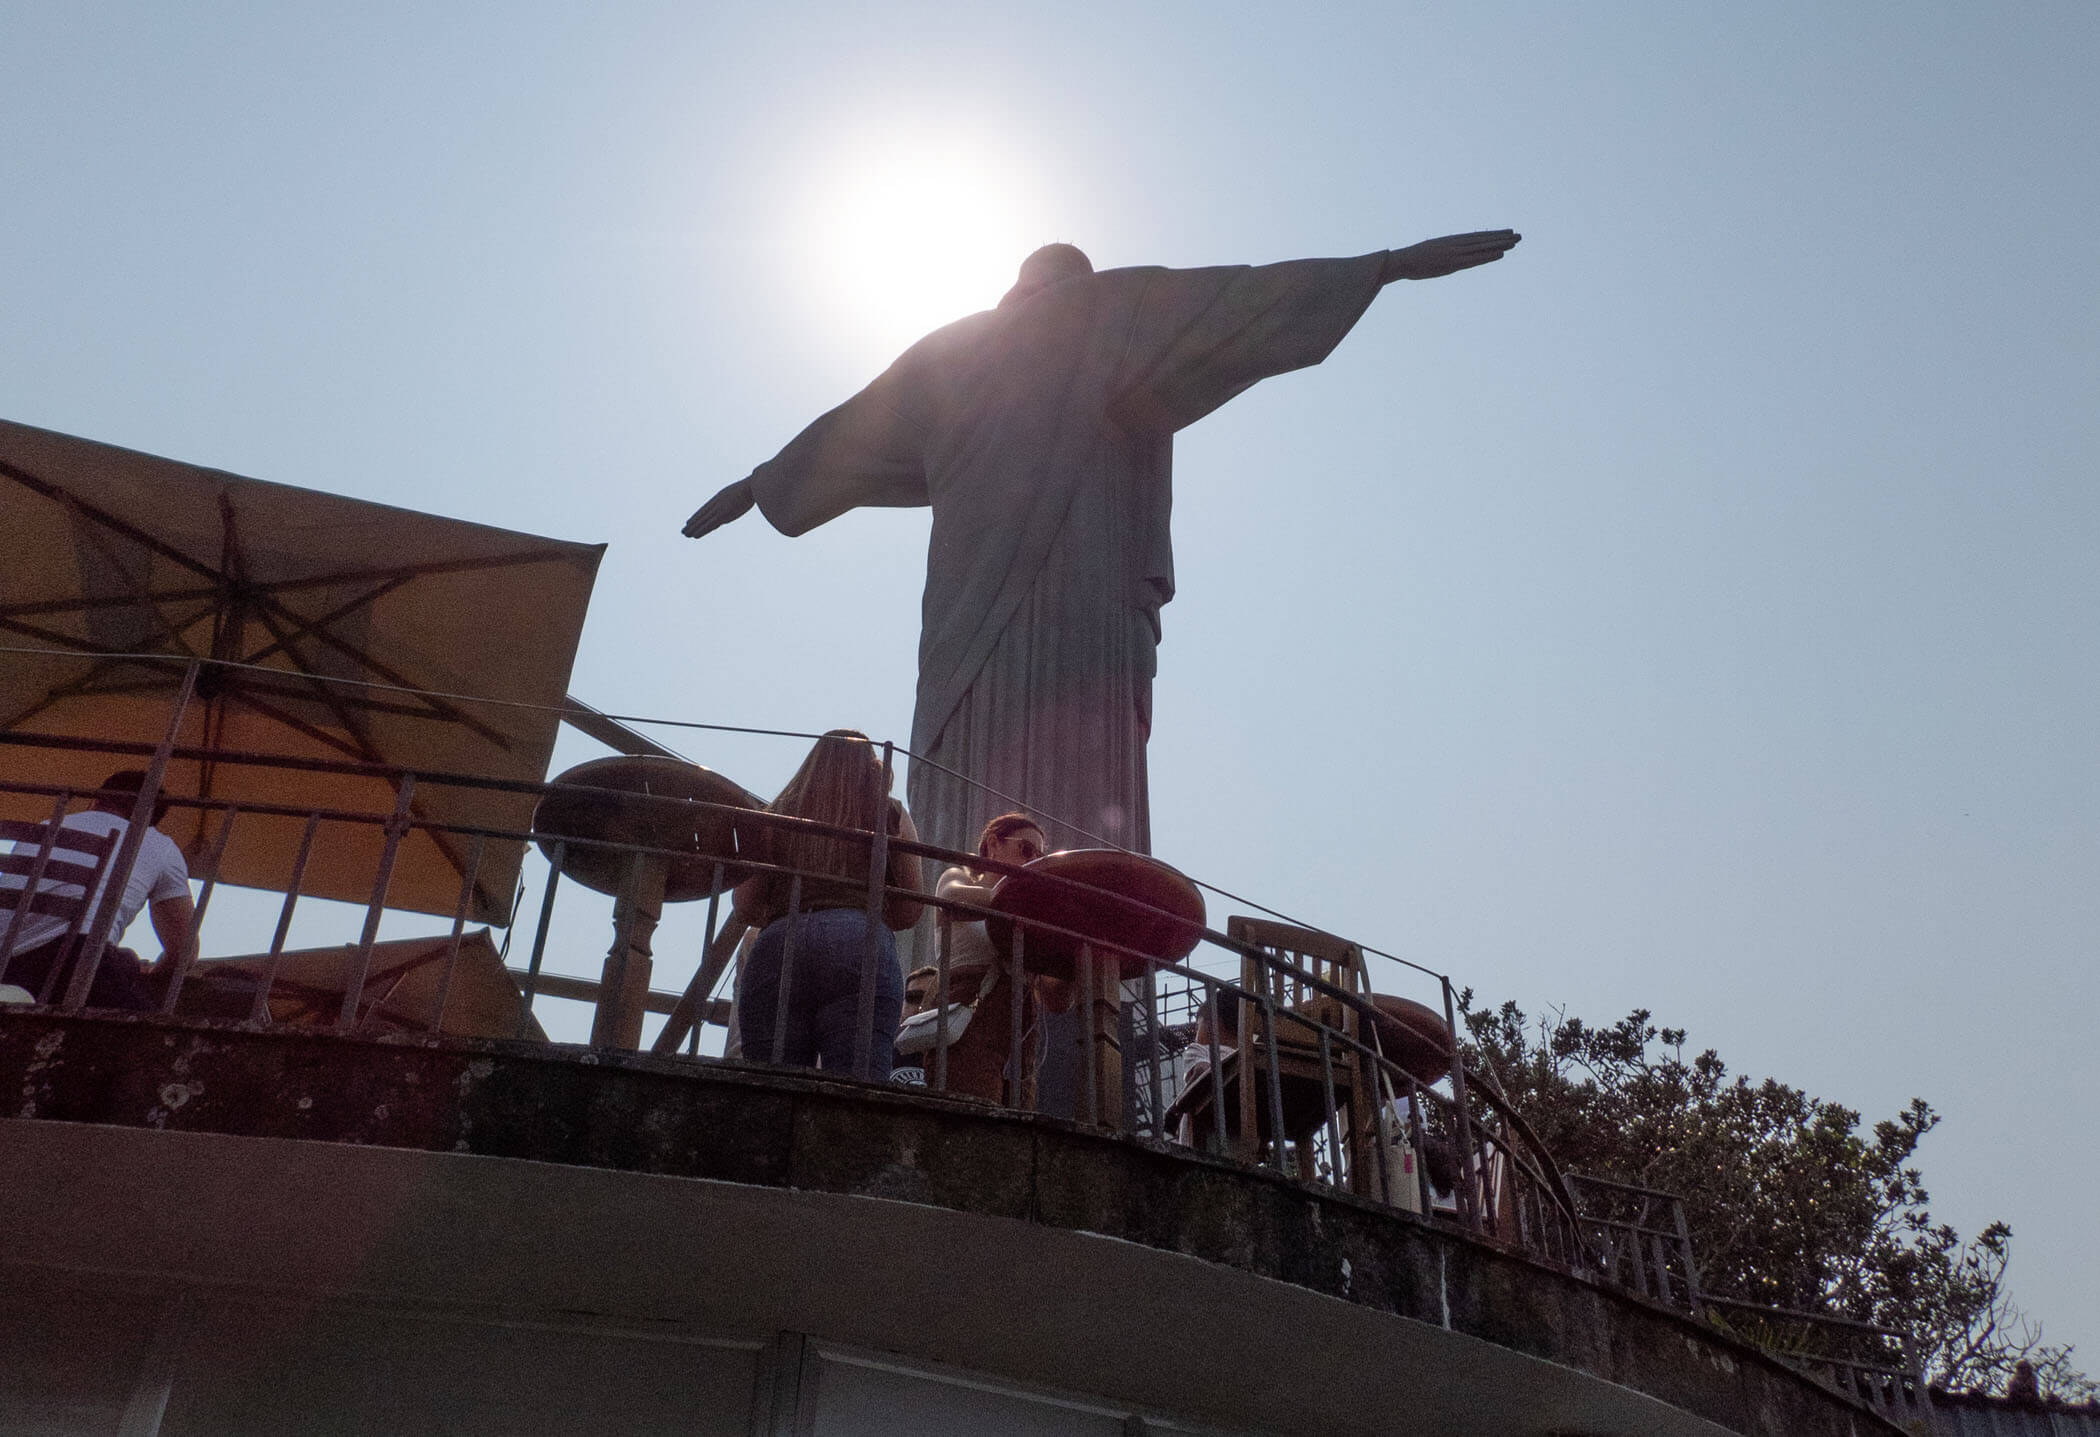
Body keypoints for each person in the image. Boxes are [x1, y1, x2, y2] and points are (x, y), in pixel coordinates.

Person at [683, 232, 1521, 877]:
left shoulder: (953, 352)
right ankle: (1078, 973)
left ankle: (959, 949)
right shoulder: (1107, 314)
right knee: (1074, 802)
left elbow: (848, 432)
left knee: (968, 796)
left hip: (983, 620)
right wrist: (1380, 268)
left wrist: (761, 486)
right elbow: (1240, 302)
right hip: (1072, 617)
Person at [731, 730, 924, 1078]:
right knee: (857, 1092)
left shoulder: (776, 814)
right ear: (870, 765)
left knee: (772, 1086)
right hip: (859, 939)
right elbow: (912, 909)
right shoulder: (890, 812)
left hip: (779, 942)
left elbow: (744, 905)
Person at [910, 813, 1073, 1105]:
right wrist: (1029, 908)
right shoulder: (961, 875)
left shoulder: (1031, 915)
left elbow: (1055, 999)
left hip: (1018, 1043)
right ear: (994, 844)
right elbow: (952, 897)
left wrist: (1069, 957)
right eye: (1026, 850)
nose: (1035, 859)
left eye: (1040, 854)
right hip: (969, 1027)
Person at [0, 770, 197, 1010]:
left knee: (120, 961)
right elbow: (184, 951)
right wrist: (152, 971)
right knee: (151, 1035)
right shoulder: (160, 845)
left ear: (95, 800)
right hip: (76, 960)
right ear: (151, 820)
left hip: (7, 966)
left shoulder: (46, 826)